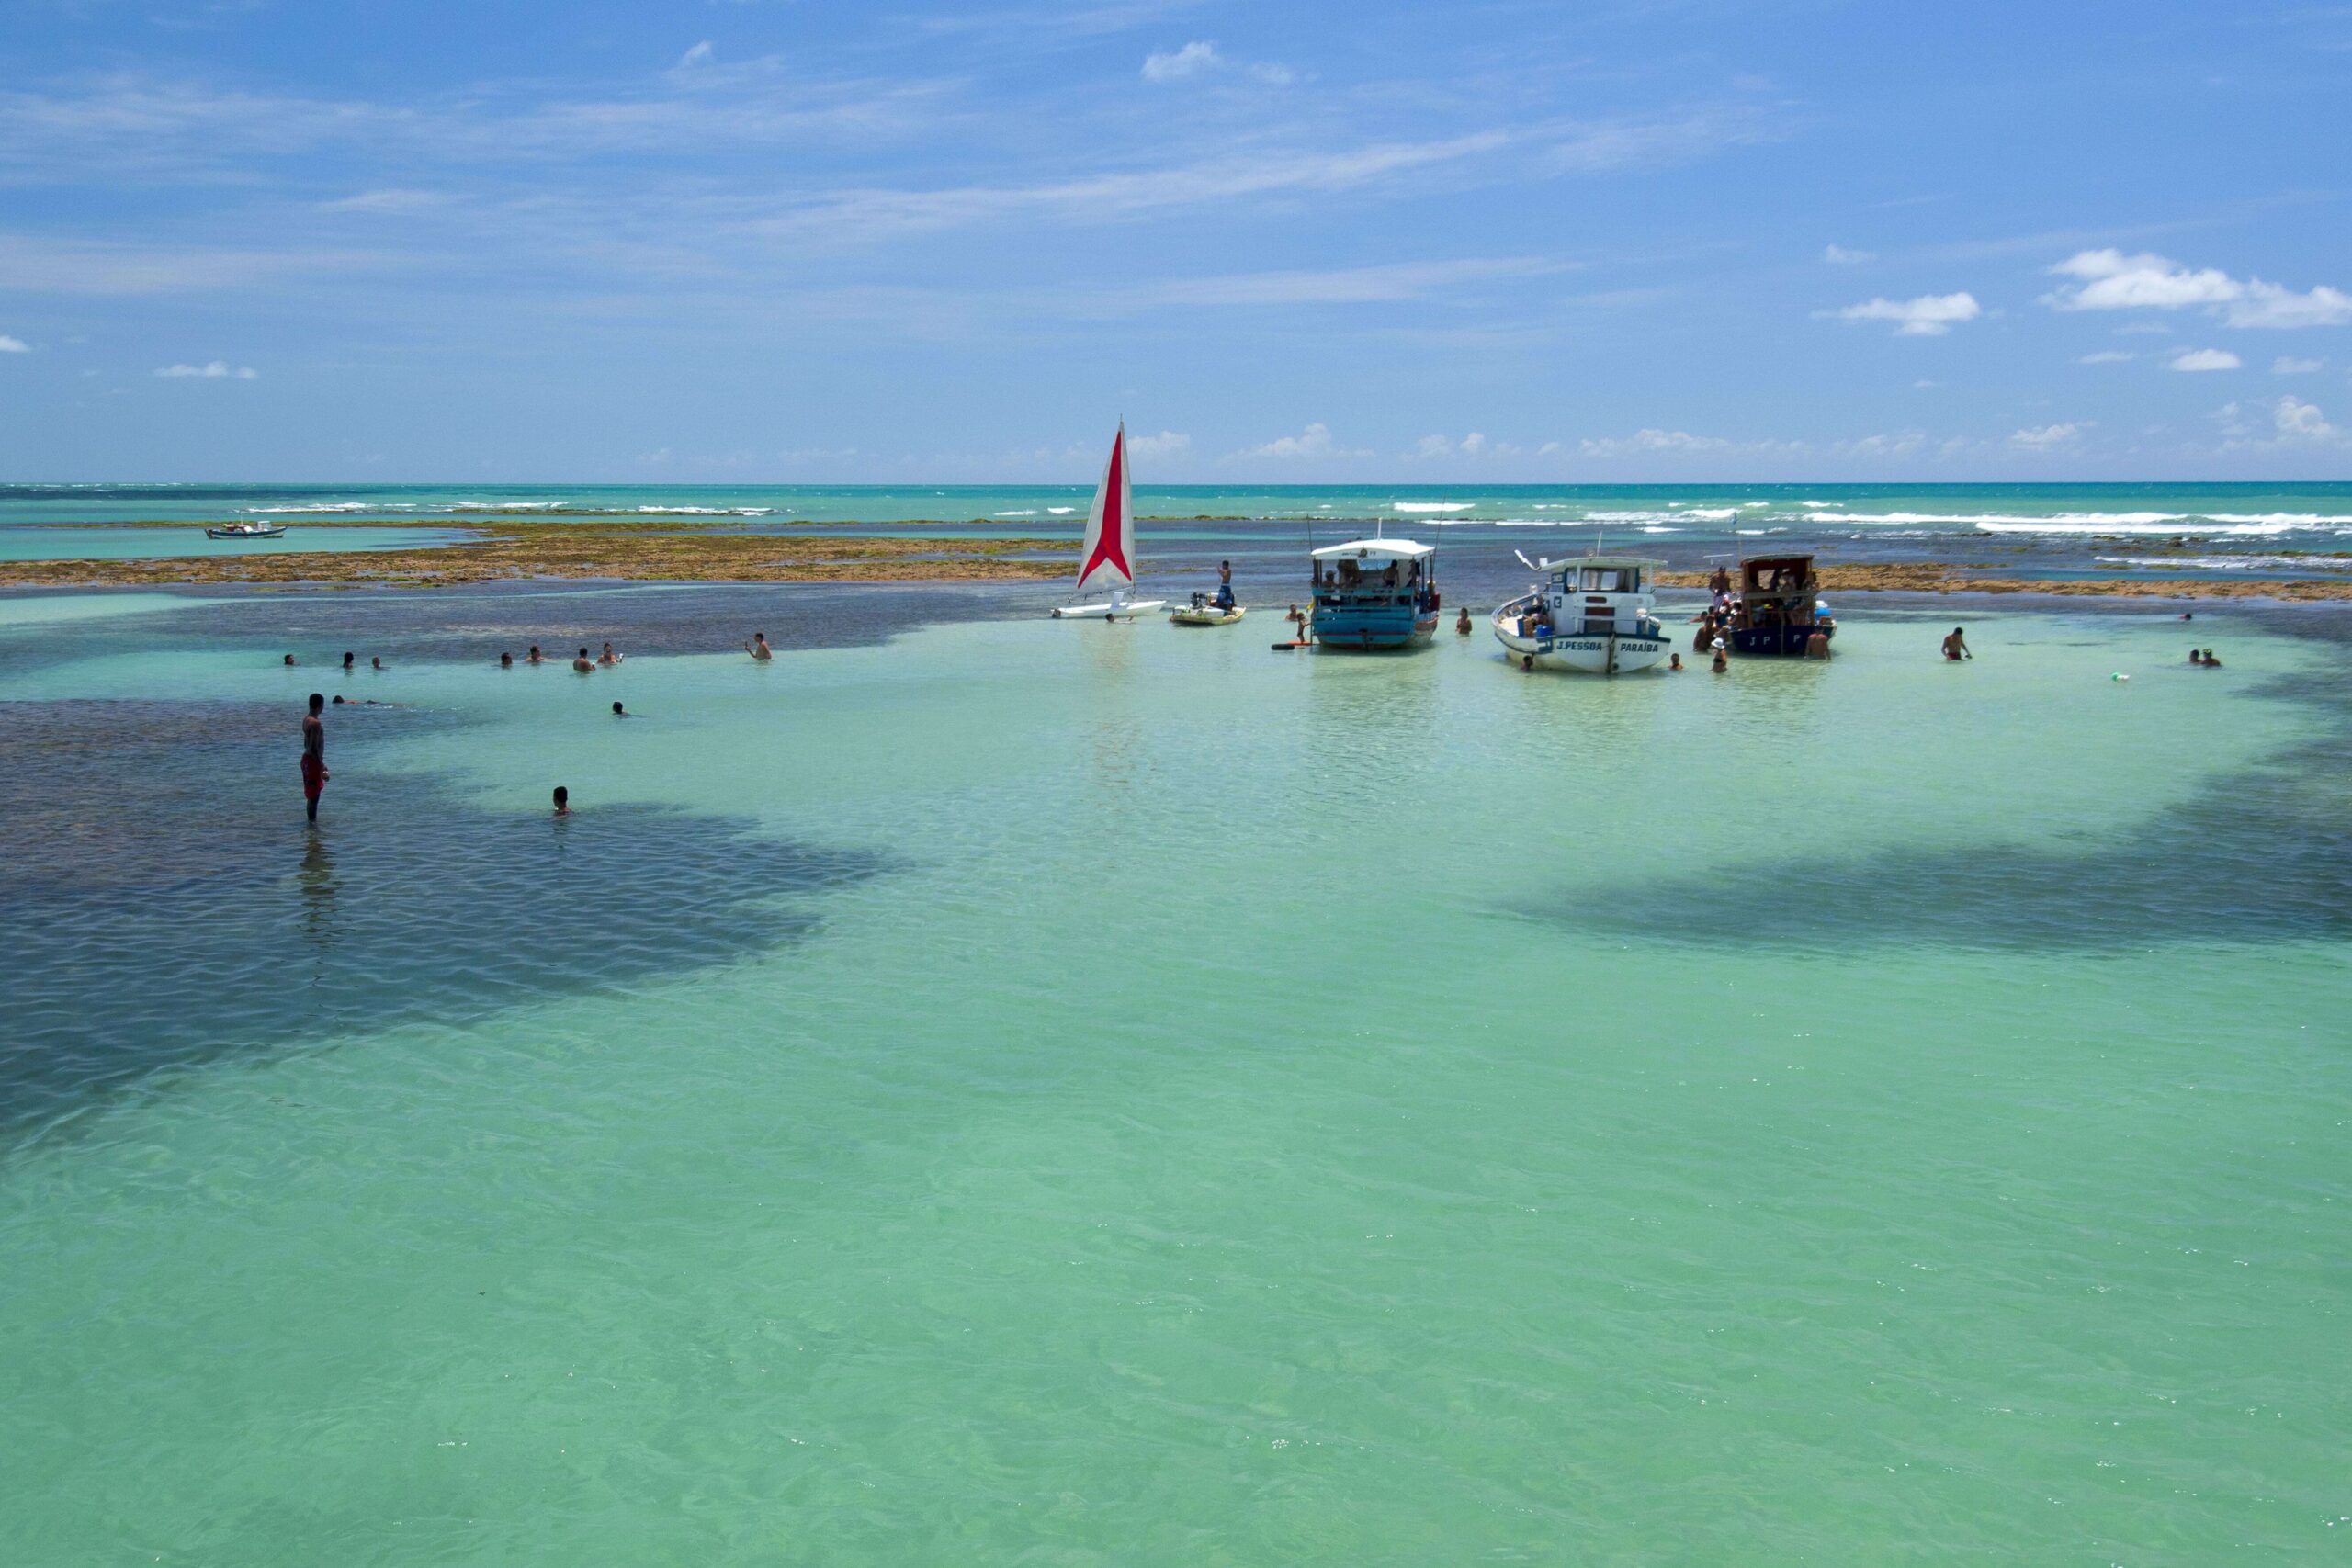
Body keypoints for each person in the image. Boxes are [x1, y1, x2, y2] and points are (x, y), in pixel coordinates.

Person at [300, 693, 328, 824]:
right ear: (320, 705)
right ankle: (312, 826)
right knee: (314, 796)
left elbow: (306, 744)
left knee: (311, 795)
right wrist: (321, 765)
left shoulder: (306, 719)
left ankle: (311, 826)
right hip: (312, 761)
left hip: (306, 759)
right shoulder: (316, 723)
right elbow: (313, 747)